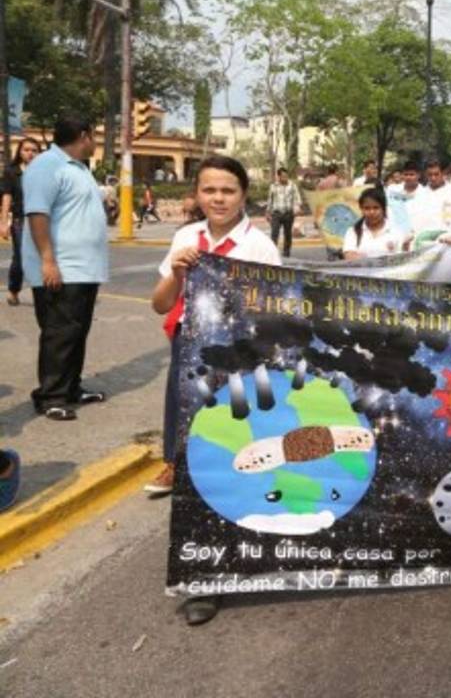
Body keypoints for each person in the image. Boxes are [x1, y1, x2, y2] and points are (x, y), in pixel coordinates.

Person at [147, 156, 280, 627]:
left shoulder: (259, 245)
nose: (218, 199)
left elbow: (274, 316)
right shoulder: (186, 238)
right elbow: (160, 303)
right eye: (209, 190)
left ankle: (229, 564)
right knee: (190, 465)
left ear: (244, 195)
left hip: (239, 365)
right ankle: (201, 576)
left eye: (227, 190)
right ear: (196, 195)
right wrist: (178, 273)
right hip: (189, 360)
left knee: (231, 463)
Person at [22, 117, 110, 421]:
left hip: (84, 269)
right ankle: (51, 397)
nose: (96, 142)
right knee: (59, 334)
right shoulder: (47, 165)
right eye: (94, 136)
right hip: (62, 268)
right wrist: (48, 260)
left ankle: (71, 389)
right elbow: (37, 213)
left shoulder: (79, 167)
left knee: (76, 332)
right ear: (84, 136)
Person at [2, 137, 41, 305]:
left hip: (41, 219)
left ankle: (41, 293)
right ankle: (13, 289)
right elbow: (7, 196)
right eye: (26, 150)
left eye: (34, 150)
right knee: (20, 256)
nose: (30, 153)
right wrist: (3, 222)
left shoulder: (45, 171)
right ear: (19, 151)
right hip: (20, 219)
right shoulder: (12, 171)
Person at [342, 188, 409, 259]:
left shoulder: (395, 231)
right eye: (367, 208)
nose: (372, 212)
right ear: (361, 209)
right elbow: (349, 257)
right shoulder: (353, 232)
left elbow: (401, 259)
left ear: (383, 209)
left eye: (376, 208)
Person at [266, 167, 302, 257]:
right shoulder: (273, 186)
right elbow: (270, 200)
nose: (285, 178)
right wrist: (267, 212)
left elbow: (297, 199)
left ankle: (286, 252)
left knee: (288, 234)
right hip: (276, 214)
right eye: (283, 176)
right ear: (278, 177)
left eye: (286, 176)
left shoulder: (292, 185)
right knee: (274, 233)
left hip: (288, 213)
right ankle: (272, 253)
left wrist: (296, 208)